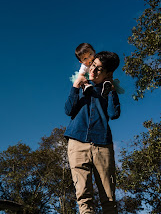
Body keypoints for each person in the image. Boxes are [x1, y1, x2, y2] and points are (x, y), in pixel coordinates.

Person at [64, 51, 121, 213]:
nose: (93, 71)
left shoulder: (108, 90)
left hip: (102, 144)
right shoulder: (81, 85)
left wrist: (111, 89)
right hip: (77, 142)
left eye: (99, 69)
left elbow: (113, 114)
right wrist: (75, 86)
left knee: (108, 198)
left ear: (108, 73)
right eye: (93, 66)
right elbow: (68, 110)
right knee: (83, 197)